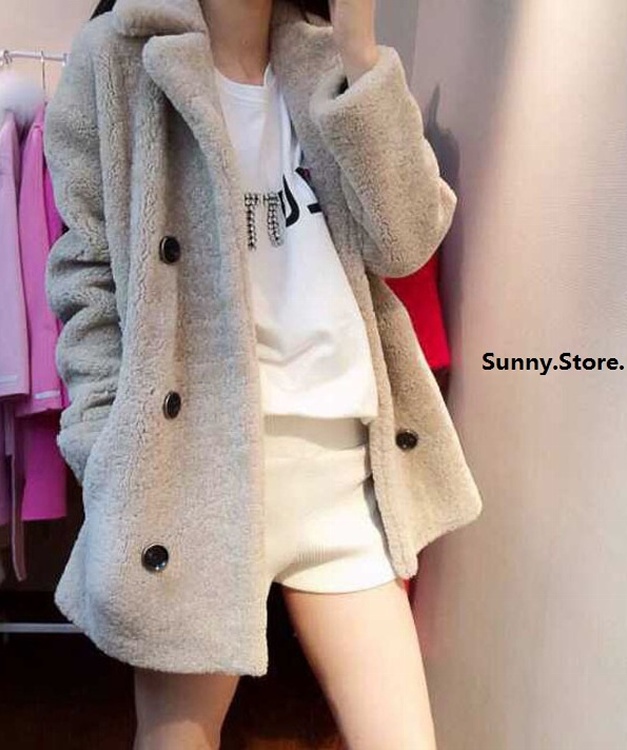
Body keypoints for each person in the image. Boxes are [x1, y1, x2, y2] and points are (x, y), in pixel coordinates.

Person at [43, 0, 483, 748]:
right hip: (191, 477)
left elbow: (406, 241)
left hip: (345, 476)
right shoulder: (117, 56)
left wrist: (360, 52)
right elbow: (86, 274)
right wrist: (110, 448)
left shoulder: (327, 57)